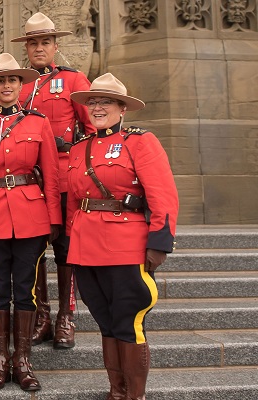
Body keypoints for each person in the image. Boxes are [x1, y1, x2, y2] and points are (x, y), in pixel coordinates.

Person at [66, 73, 178, 400]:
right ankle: (116, 391)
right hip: (87, 248)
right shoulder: (79, 148)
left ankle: (134, 395)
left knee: (129, 322)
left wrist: (159, 242)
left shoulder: (140, 141)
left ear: (122, 108)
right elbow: (74, 203)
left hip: (126, 246)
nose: (97, 107)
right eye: (93, 102)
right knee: (105, 321)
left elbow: (163, 195)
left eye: (105, 102)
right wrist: (75, 239)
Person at [0, 53, 61, 392]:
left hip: (31, 216)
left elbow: (51, 174)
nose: (5, 85)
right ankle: (0, 360)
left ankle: (23, 360)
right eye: (0, 80)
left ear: (21, 85)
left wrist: (54, 219)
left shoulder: (38, 123)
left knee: (25, 291)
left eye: (12, 80)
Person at [12, 12, 96, 349]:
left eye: (45, 42)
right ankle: (42, 315)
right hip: (29, 181)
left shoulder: (74, 81)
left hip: (63, 177)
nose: (39, 48)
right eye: (33, 43)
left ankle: (65, 316)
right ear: (26, 48)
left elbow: (91, 134)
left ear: (55, 45)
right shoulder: (18, 84)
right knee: (32, 250)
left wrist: (84, 177)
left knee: (65, 251)